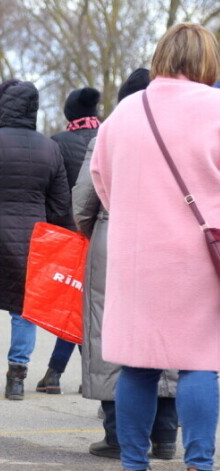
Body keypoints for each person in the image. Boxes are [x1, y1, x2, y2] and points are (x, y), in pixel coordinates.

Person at [90, 23, 220, 471]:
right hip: (199, 258)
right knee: (200, 359)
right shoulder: (218, 109)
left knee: (137, 361)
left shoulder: (124, 112)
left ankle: (132, 462)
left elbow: (100, 180)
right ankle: (199, 463)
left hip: (135, 255)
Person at [74, 68, 178, 462]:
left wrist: (96, 228)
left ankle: (118, 435)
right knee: (170, 338)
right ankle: (167, 436)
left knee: (114, 336)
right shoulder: (182, 129)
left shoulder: (110, 132)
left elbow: (83, 201)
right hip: (173, 243)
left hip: (114, 239)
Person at [0, 79, 71, 400]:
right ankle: (16, 379)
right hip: (30, 243)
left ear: (1, 106)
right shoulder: (50, 148)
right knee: (23, 310)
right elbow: (60, 207)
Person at [35, 87, 102, 394]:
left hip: (68, 233)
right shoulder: (109, 137)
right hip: (104, 230)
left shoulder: (57, 143)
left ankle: (55, 372)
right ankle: (62, 373)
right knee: (88, 307)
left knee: (74, 303)